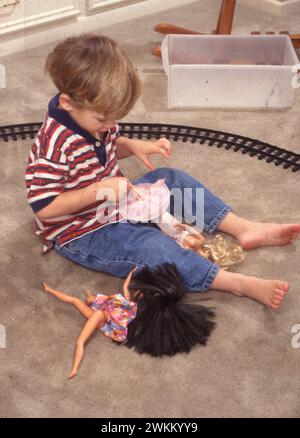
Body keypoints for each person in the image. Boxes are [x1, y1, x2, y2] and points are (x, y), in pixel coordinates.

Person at [25, 33, 300, 311]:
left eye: (114, 119)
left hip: (119, 199)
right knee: (151, 246)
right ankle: (235, 283)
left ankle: (243, 228)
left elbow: (105, 145)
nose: (110, 125)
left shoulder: (93, 118)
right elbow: (44, 208)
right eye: (102, 119)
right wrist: (97, 191)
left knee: (171, 180)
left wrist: (131, 145)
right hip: (83, 230)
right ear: (68, 102)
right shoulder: (53, 146)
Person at [43, 264, 215, 379]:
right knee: (80, 301)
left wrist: (75, 368)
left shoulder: (106, 312)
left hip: (110, 319)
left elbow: (80, 341)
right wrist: (131, 274)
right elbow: (125, 288)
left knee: (78, 302)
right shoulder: (125, 304)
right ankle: (79, 296)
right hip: (114, 314)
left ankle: (85, 298)